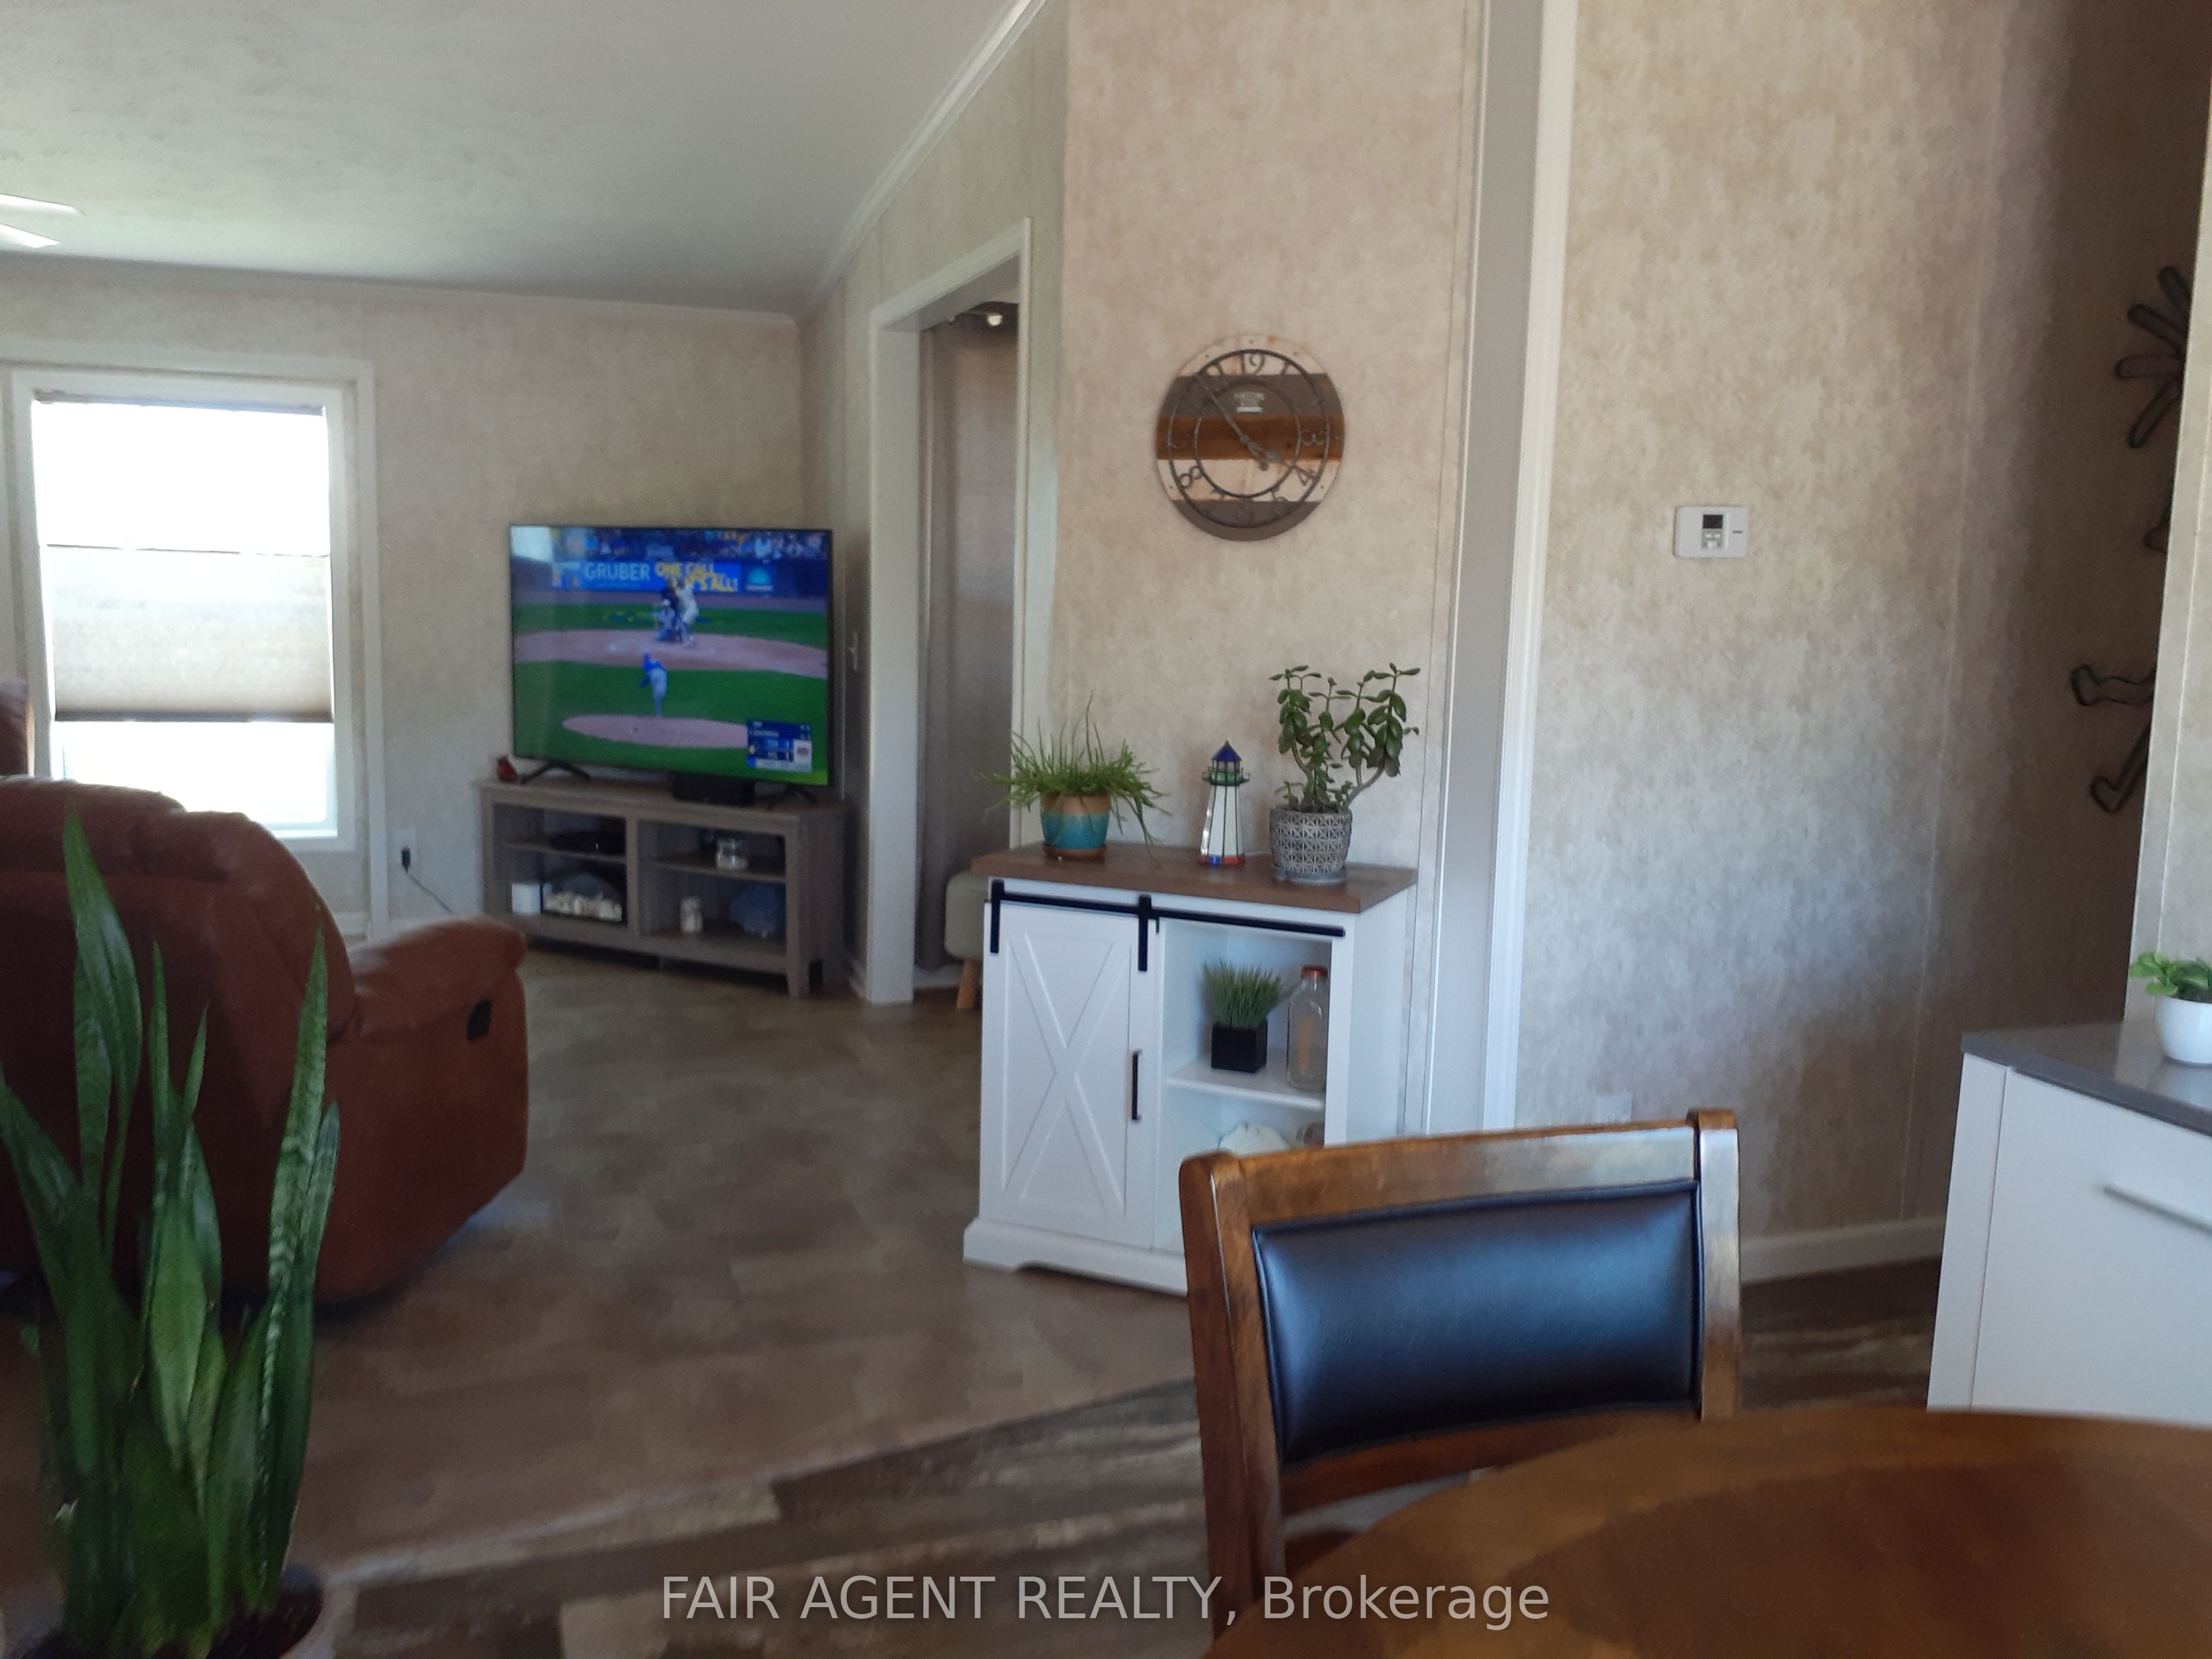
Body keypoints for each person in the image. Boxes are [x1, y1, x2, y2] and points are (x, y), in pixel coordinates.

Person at [641, 653, 668, 718]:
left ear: (645, 659)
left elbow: (648, 677)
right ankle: (659, 713)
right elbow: (663, 669)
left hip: (655, 676)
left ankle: (659, 713)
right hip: (663, 676)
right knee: (660, 694)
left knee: (656, 697)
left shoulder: (645, 665)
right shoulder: (657, 662)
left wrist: (642, 685)